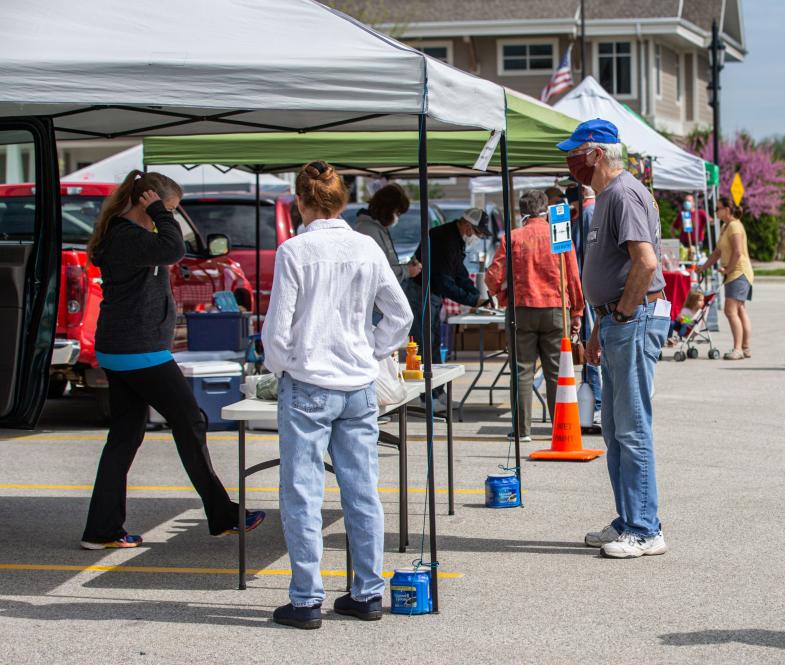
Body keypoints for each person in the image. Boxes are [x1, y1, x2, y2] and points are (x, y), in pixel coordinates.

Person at [262, 161, 412, 629]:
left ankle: (307, 599)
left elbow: (276, 332)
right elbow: (400, 315)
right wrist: (371, 350)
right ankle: (367, 592)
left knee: (303, 491)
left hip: (309, 382)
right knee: (362, 490)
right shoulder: (366, 247)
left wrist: (283, 365)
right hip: (357, 383)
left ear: (300, 202)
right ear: (342, 200)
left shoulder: (295, 251)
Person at [81, 170, 264, 550]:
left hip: (126, 349)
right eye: (170, 210)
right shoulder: (128, 236)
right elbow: (173, 249)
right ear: (146, 201)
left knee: (125, 436)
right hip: (138, 350)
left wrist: (160, 213)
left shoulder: (125, 235)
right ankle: (222, 514)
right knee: (190, 420)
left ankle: (101, 529)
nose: (173, 219)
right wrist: (161, 215)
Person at [559, 118, 671, 559]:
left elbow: (644, 263)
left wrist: (620, 314)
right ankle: (630, 520)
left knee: (631, 427)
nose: (571, 162)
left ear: (596, 153)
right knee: (616, 430)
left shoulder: (622, 194)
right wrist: (600, 323)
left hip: (632, 319)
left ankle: (645, 529)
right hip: (618, 320)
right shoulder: (608, 196)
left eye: (575, 153)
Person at [485, 189, 585, 443]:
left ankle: (522, 430)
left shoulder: (513, 237)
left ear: (522, 212)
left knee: (522, 371)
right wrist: (577, 311)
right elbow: (573, 276)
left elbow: (493, 276)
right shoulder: (559, 236)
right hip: (556, 309)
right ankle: (558, 428)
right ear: (547, 209)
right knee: (557, 373)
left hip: (522, 310)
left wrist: (502, 296)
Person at [405, 208, 489, 405]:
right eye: (478, 233)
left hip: (432, 294)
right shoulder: (444, 239)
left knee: (433, 344)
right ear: (468, 226)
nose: (477, 238)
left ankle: (436, 392)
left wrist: (476, 296)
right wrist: (471, 300)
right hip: (422, 294)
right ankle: (426, 396)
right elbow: (445, 282)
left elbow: (459, 272)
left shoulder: (454, 238)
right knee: (424, 345)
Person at [699, 196, 755, 360]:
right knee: (740, 310)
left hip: (739, 272)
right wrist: (704, 267)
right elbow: (717, 252)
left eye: (717, 208)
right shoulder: (726, 226)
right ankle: (745, 347)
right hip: (735, 273)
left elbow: (737, 252)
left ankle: (738, 349)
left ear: (727, 210)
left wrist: (728, 269)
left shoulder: (734, 226)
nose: (715, 211)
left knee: (730, 311)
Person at [567, 184, 600, 423]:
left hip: (587, 288)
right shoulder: (592, 211)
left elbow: (581, 255)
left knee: (590, 347)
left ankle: (596, 402)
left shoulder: (588, 213)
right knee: (591, 346)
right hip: (592, 286)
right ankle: (595, 400)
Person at [355, 183, 422, 284]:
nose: (398, 217)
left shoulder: (378, 229)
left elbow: (387, 264)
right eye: (397, 213)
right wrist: (407, 270)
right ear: (387, 210)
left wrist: (406, 267)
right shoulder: (369, 231)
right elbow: (379, 271)